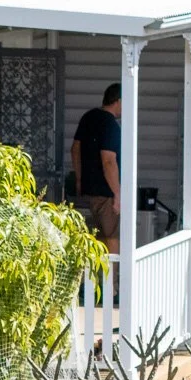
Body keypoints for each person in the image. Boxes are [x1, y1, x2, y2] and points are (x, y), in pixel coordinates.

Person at [72, 83, 123, 253]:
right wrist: (117, 194)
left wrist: (79, 180)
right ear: (118, 101)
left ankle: (95, 279)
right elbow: (108, 160)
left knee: (93, 241)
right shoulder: (111, 126)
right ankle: (114, 280)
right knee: (112, 239)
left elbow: (75, 149)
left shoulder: (89, 117)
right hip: (106, 195)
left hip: (88, 192)